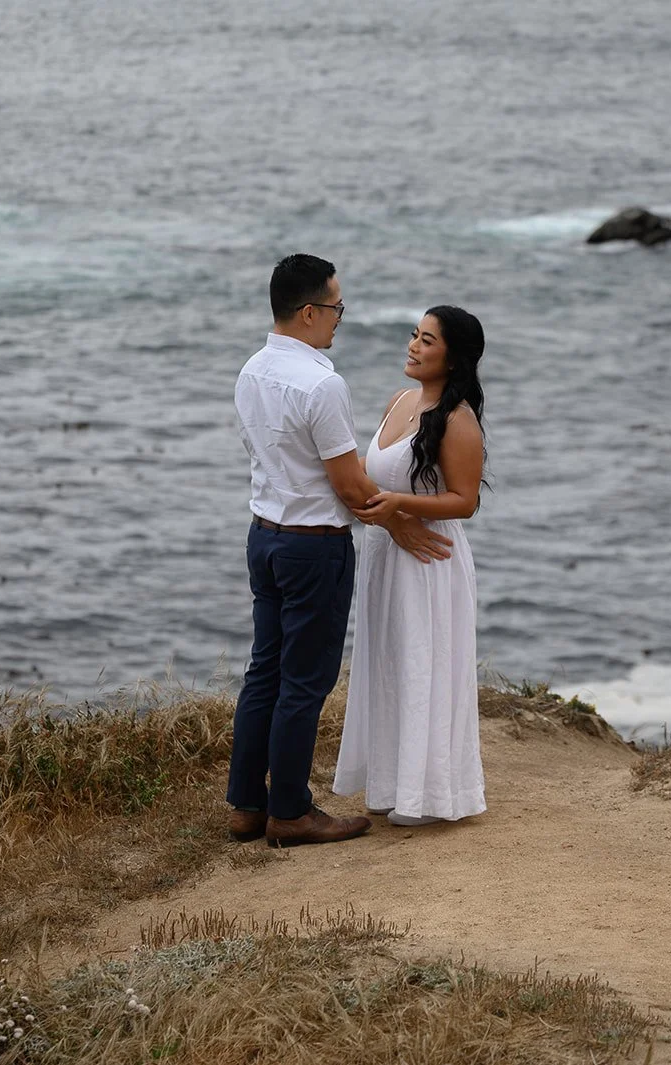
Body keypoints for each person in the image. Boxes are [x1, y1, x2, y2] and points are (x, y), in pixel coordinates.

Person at [227, 254, 453, 848]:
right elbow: (349, 485)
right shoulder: (322, 383)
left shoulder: (251, 371)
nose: (339, 320)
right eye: (336, 308)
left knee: (264, 674)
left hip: (264, 537)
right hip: (313, 549)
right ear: (308, 312)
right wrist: (400, 525)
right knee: (304, 681)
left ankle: (246, 806)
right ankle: (292, 812)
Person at [333, 306, 488, 827]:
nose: (414, 346)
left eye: (427, 340)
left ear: (452, 357)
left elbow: (465, 501)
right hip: (385, 555)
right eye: (414, 335)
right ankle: (391, 784)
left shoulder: (458, 420)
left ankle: (431, 794)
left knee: (423, 664)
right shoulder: (399, 400)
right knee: (388, 664)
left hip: (429, 558)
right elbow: (365, 468)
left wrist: (401, 507)